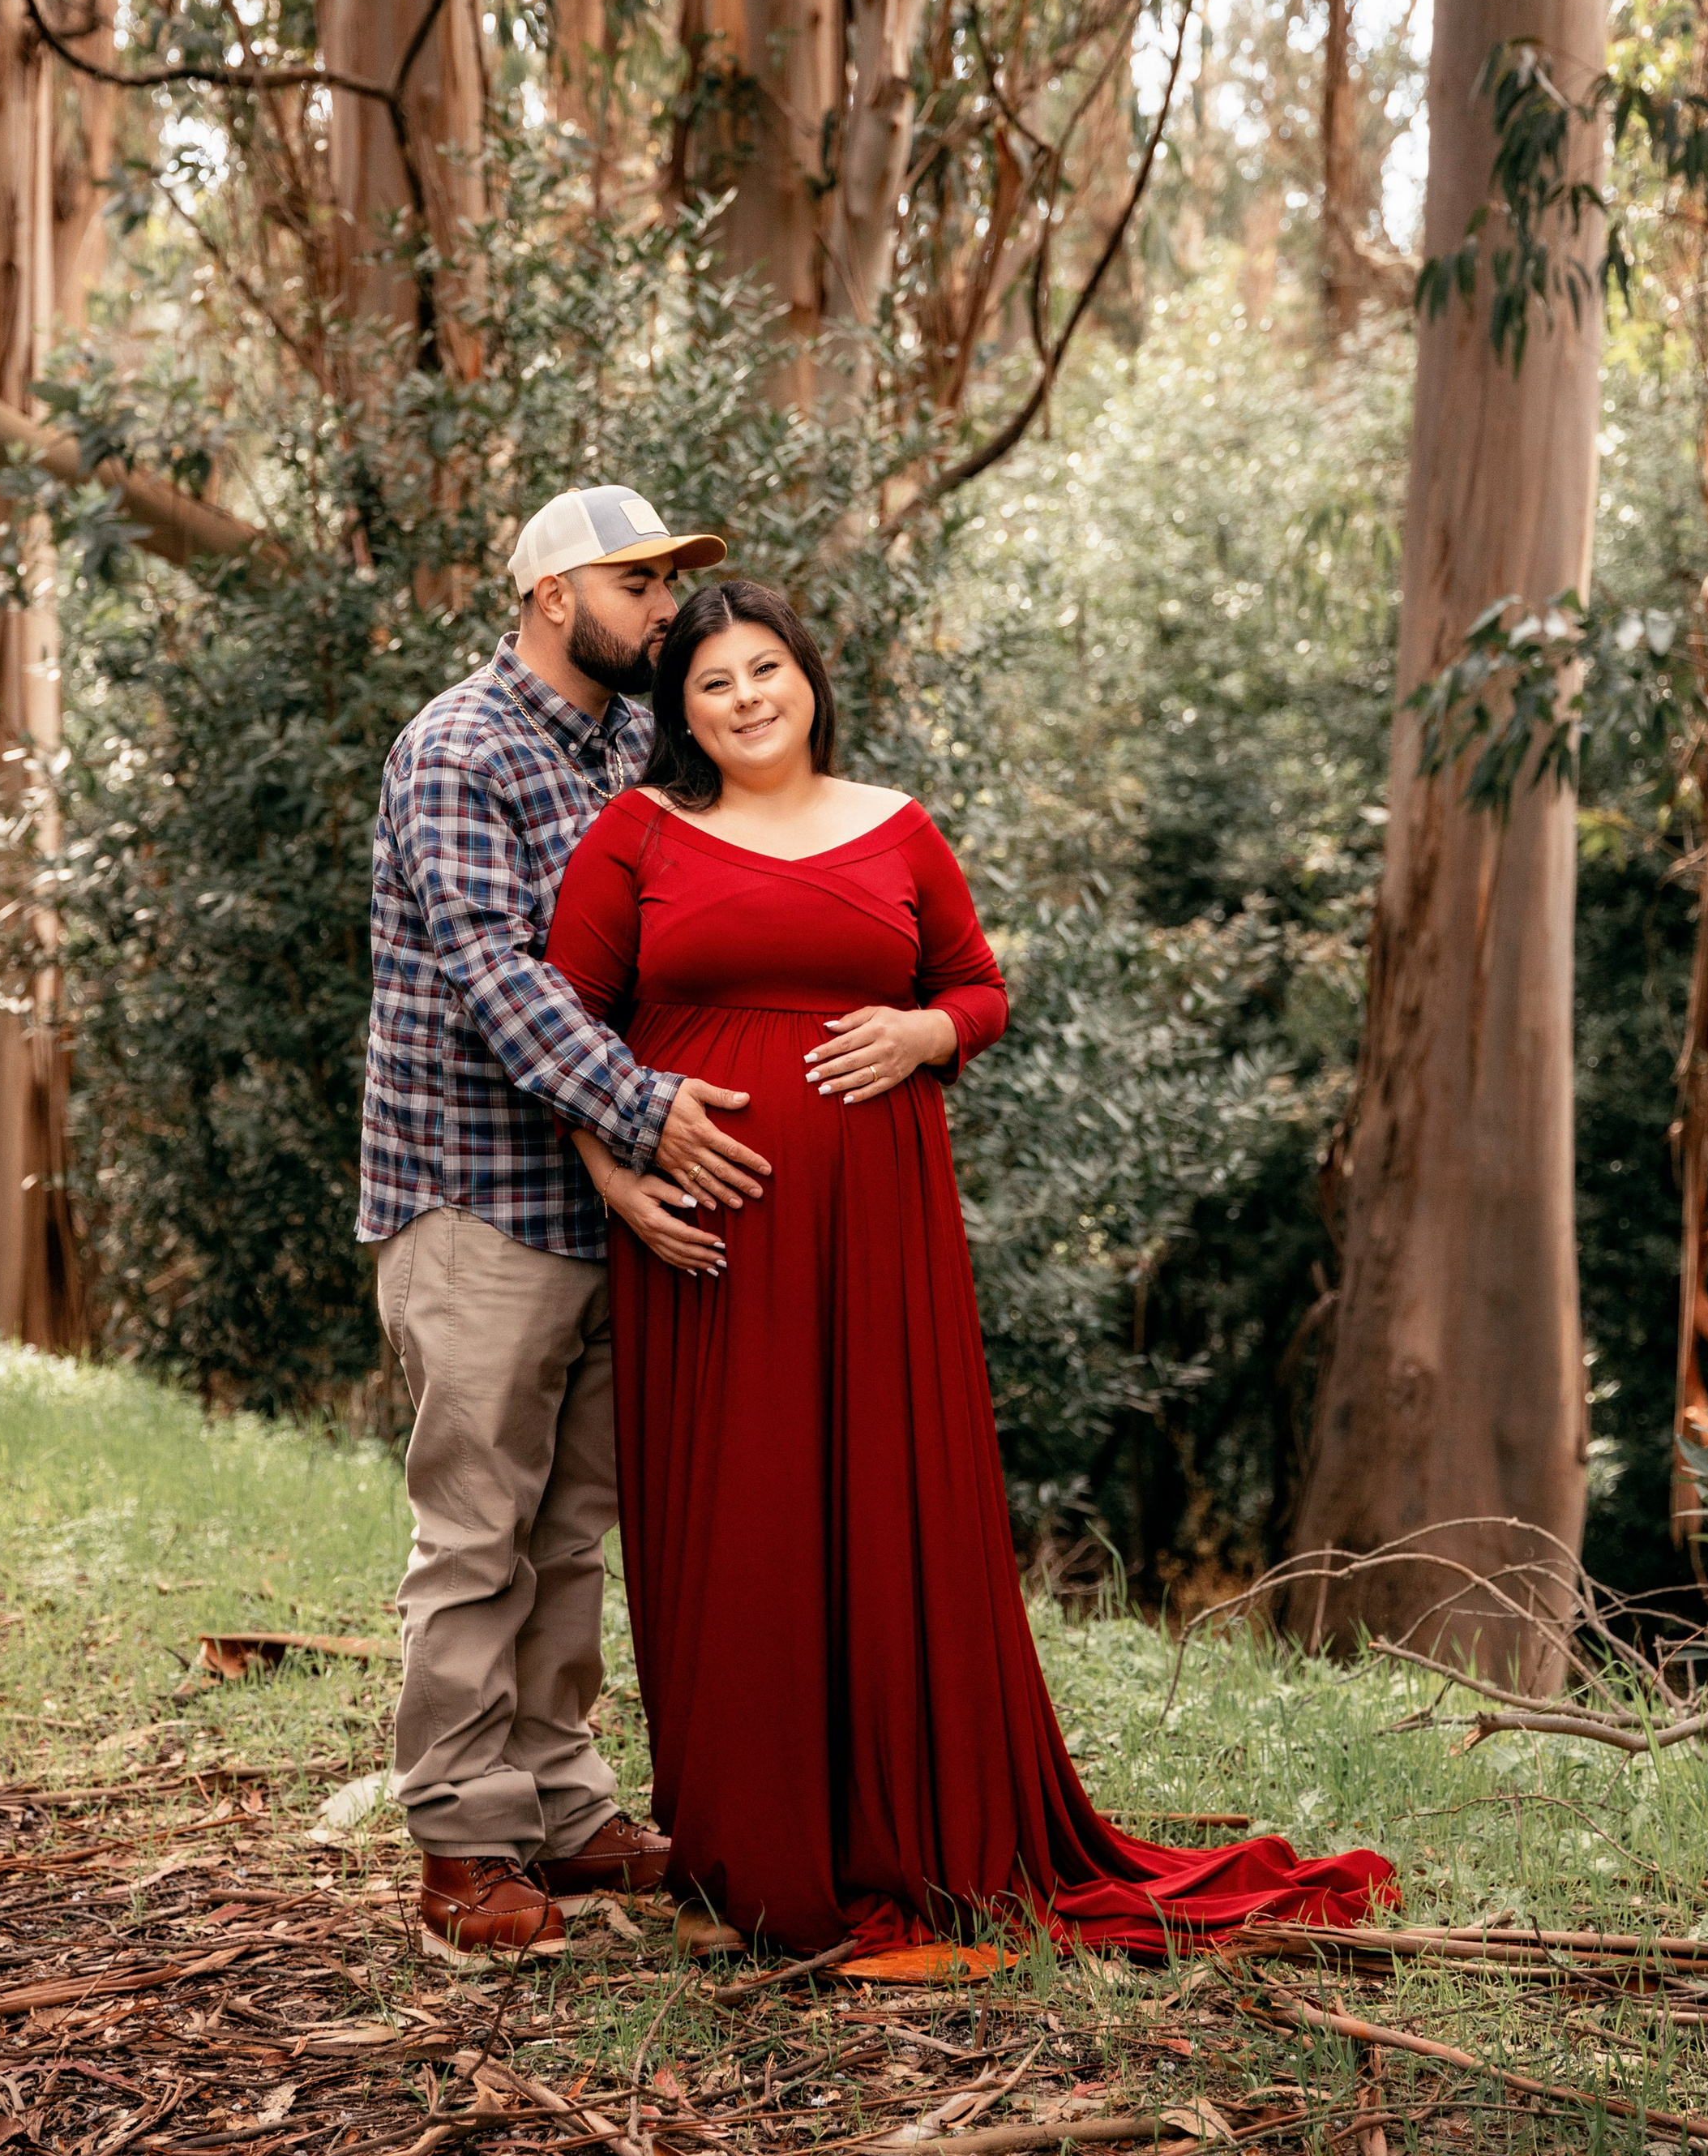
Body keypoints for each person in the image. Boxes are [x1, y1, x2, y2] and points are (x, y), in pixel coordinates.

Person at [546, 580, 1397, 1959]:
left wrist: (925, 1038)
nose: (748, 697)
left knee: (885, 1506)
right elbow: (562, 1018)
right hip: (707, 1239)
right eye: (714, 682)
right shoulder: (638, 832)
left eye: (768, 669)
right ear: (679, 711)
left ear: (810, 679)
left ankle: (905, 1827)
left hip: (882, 1232)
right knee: (741, 1521)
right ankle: (748, 1848)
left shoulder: (897, 826)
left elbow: (980, 987)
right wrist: (617, 1176)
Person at [359, 486, 771, 1957]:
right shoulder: (461, 747)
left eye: (673, 581)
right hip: (478, 1194)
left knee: (573, 1522)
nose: (667, 608)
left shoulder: (624, 753)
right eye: (640, 581)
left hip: (607, 1205)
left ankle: (558, 1797)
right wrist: (649, 1113)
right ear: (550, 594)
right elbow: (498, 978)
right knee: (478, 1530)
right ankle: (463, 1848)